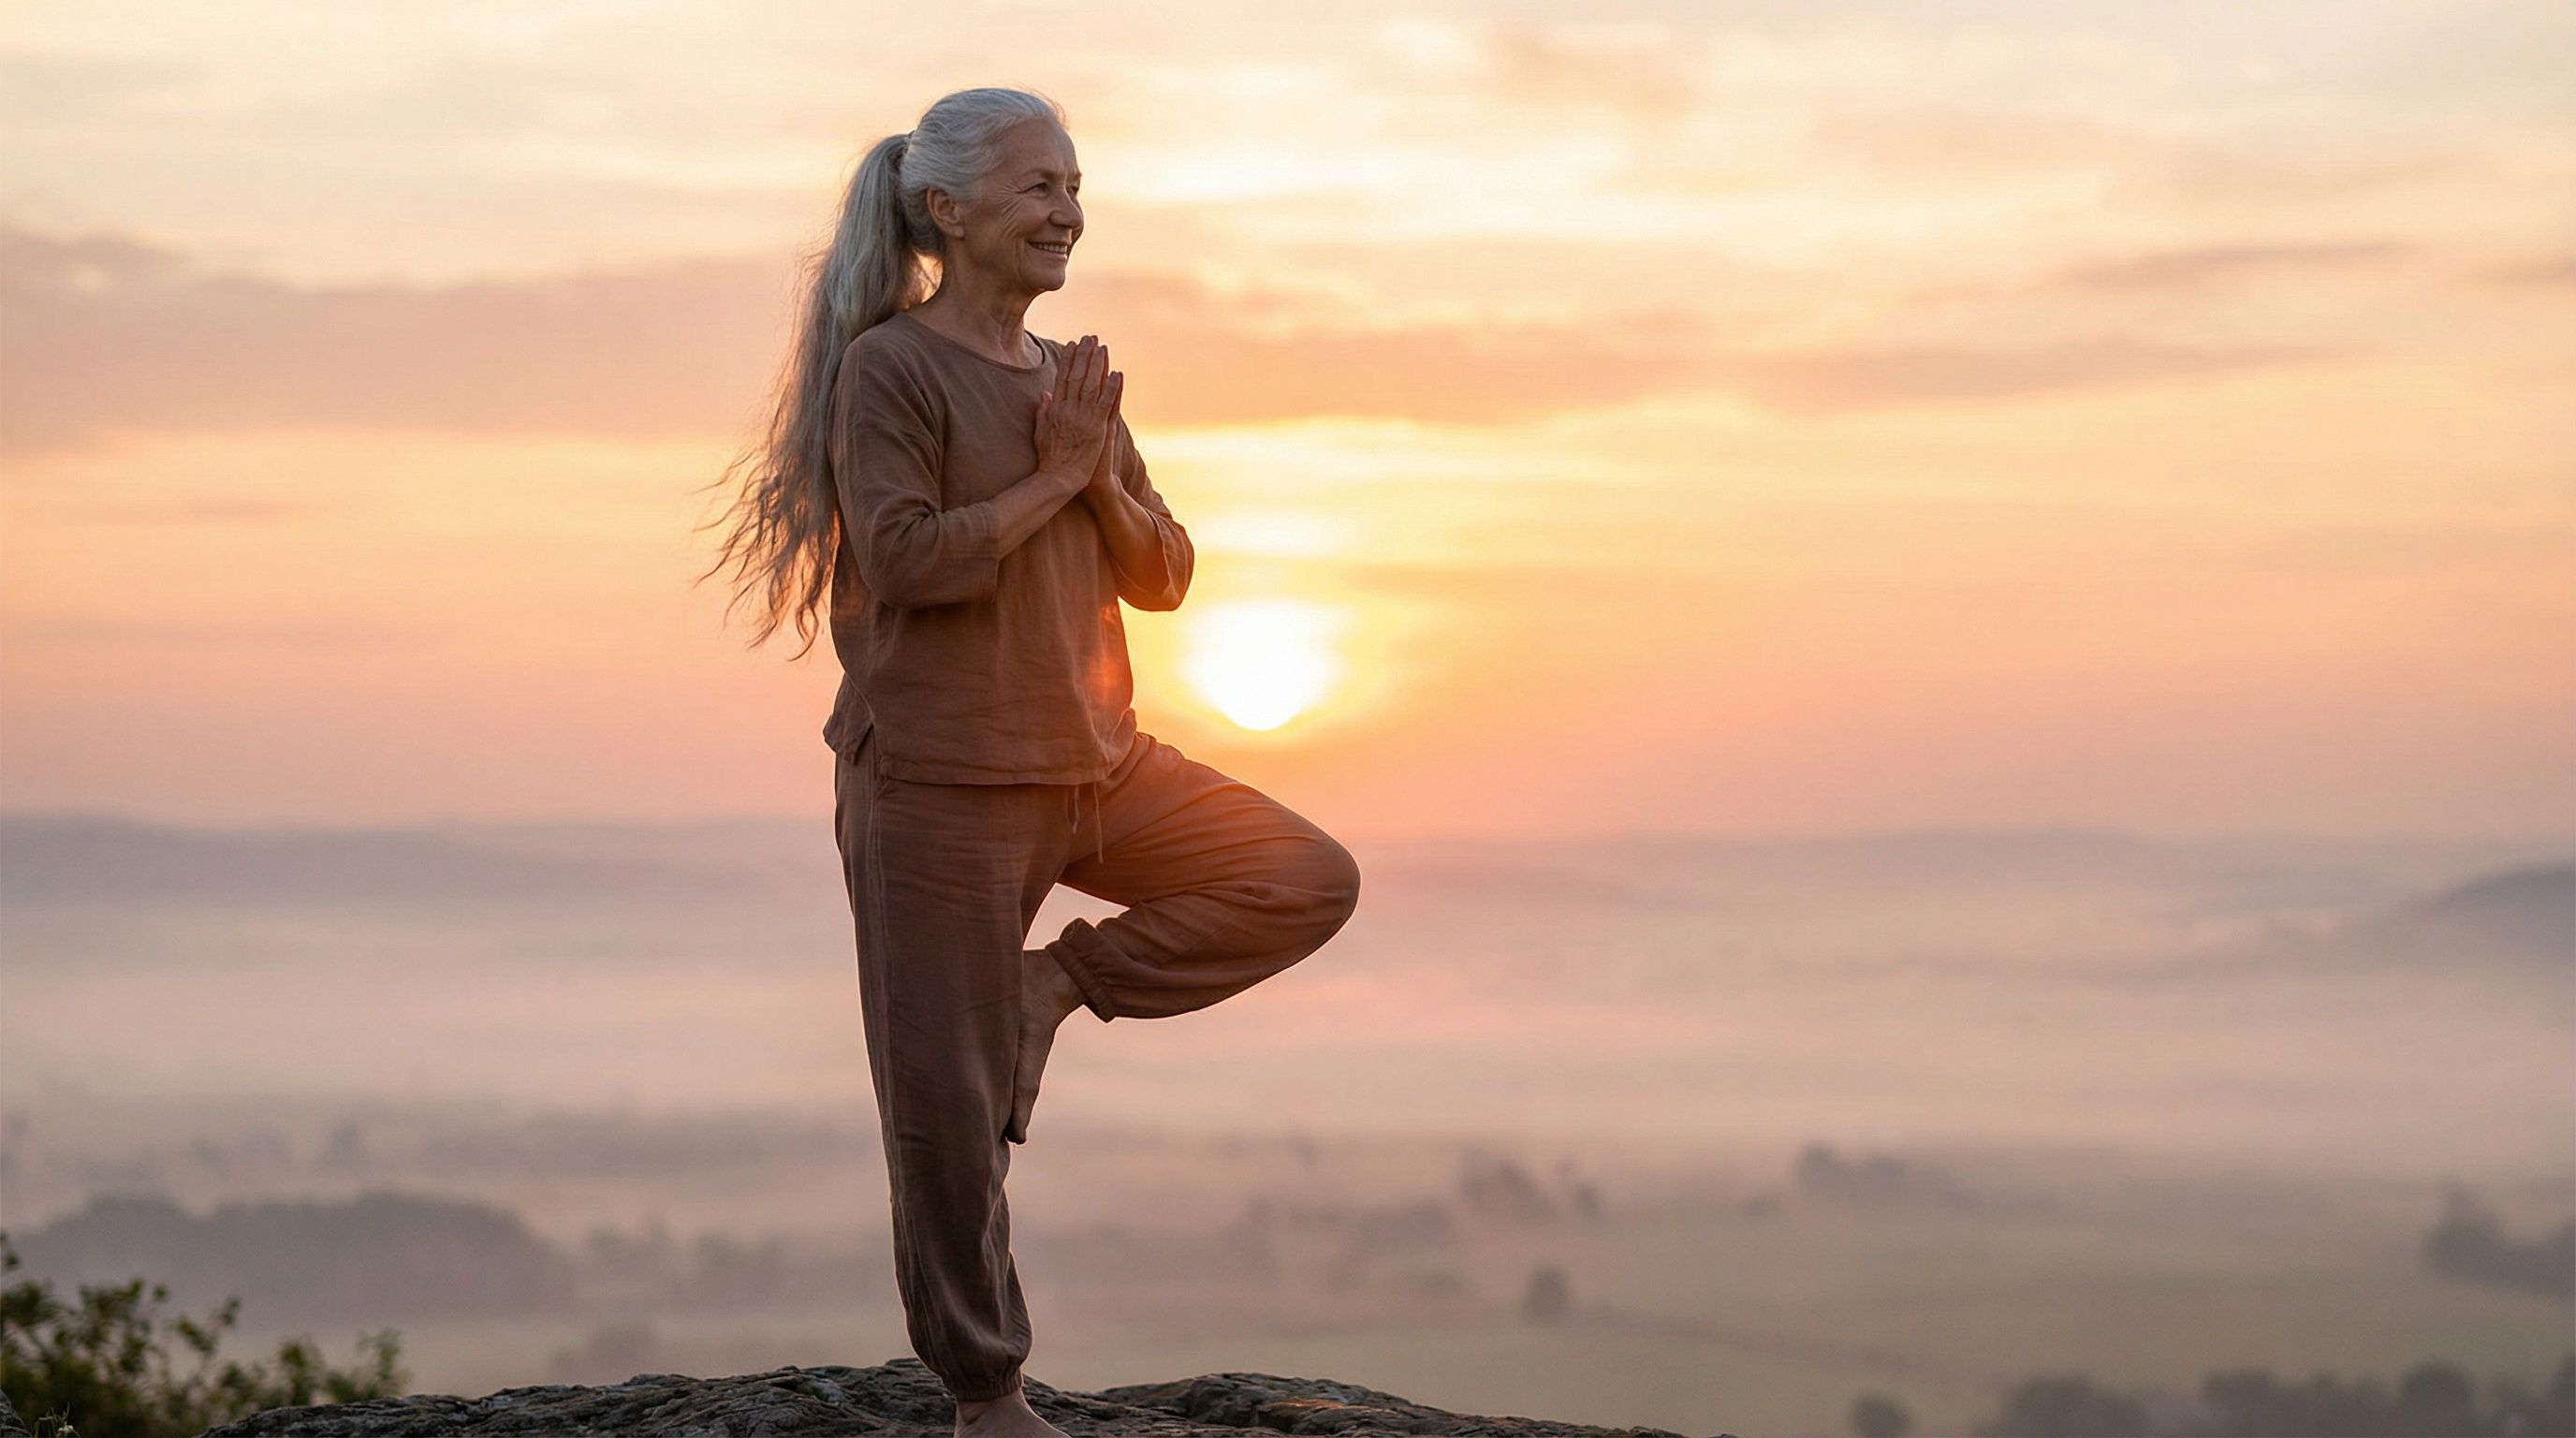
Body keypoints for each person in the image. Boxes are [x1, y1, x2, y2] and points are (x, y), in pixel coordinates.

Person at [699, 86, 1362, 1437]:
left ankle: (1049, 989)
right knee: (943, 1110)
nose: (1069, 213)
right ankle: (984, 1396)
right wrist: (1059, 476)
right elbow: (903, 559)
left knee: (1305, 877)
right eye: (1038, 188)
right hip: (940, 783)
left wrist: (1098, 469)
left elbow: (1166, 574)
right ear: (947, 210)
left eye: (1075, 187)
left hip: (1098, 765)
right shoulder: (892, 370)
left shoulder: (1069, 379)